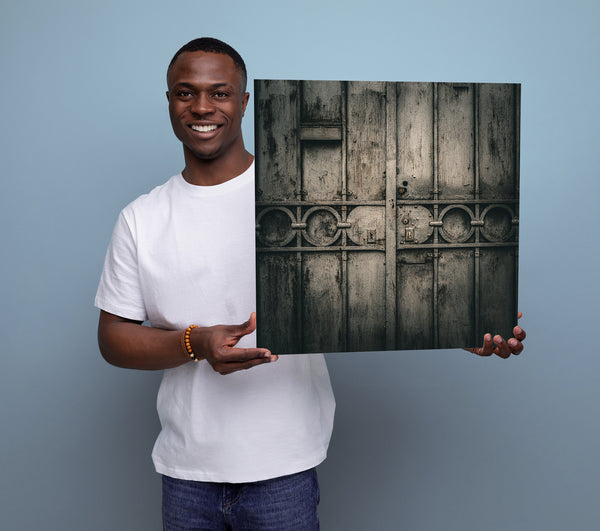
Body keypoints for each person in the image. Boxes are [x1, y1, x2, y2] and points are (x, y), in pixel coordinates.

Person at [95, 37, 526, 530]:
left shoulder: (313, 192)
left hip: (287, 463)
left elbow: (387, 272)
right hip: (187, 467)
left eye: (220, 92)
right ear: (169, 100)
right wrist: (197, 343)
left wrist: (463, 322)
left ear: (244, 102)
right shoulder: (141, 218)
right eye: (185, 92)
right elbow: (114, 338)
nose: (202, 107)